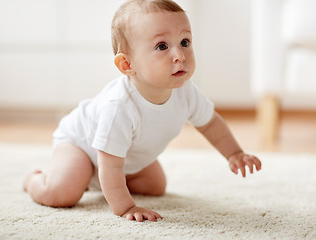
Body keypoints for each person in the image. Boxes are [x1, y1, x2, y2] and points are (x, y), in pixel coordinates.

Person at [23, 0, 261, 222]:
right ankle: (35, 180)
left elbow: (210, 124)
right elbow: (110, 165)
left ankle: (96, 183)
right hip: (83, 147)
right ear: (127, 65)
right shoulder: (119, 106)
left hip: (125, 156)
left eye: (185, 42)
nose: (179, 55)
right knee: (62, 193)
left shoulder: (186, 92)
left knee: (155, 186)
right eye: (162, 46)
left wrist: (234, 153)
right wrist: (126, 207)